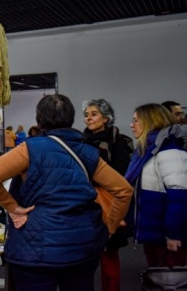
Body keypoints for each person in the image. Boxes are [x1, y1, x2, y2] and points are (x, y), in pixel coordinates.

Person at [0, 94, 132, 291]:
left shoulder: (30, 148)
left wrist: (13, 208)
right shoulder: (88, 152)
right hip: (82, 245)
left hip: (35, 248)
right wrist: (109, 228)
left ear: (39, 119)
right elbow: (124, 190)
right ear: (71, 118)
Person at [125, 103, 187, 267]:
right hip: (154, 231)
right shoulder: (147, 150)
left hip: (168, 234)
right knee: (156, 278)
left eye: (136, 120)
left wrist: (173, 234)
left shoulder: (170, 151)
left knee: (172, 280)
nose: (132, 125)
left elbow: (180, 197)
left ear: (151, 121)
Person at [82, 99, 134, 291]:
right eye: (86, 115)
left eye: (93, 114)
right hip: (85, 205)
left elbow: (121, 176)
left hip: (108, 206)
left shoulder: (118, 142)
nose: (89, 118)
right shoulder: (81, 140)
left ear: (106, 118)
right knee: (82, 263)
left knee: (109, 260)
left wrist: (96, 172)